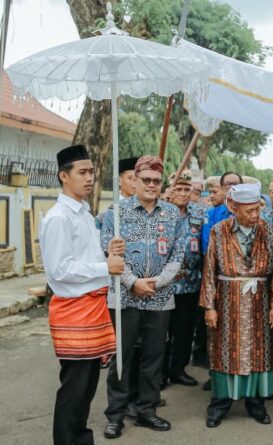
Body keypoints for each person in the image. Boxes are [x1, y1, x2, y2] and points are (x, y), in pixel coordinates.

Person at [41, 145, 124, 445]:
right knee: (74, 390)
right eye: (82, 172)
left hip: (92, 308)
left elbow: (83, 260)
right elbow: (60, 270)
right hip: (74, 311)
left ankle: (80, 439)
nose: (90, 178)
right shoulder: (59, 218)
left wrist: (108, 254)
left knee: (87, 388)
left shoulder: (85, 214)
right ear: (64, 176)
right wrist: (105, 265)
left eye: (92, 171)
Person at [102, 156, 184, 438]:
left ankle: (147, 411)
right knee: (122, 359)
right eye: (145, 179)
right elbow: (109, 252)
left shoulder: (172, 214)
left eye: (156, 181)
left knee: (153, 357)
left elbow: (178, 253)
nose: (151, 185)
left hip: (160, 298)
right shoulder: (115, 212)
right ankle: (116, 415)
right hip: (125, 296)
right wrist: (133, 282)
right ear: (134, 181)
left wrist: (158, 282)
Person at [200, 183, 273, 427]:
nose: (254, 215)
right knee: (224, 350)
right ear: (234, 208)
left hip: (260, 301)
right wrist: (210, 307)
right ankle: (220, 404)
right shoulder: (219, 230)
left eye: (257, 210)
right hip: (226, 300)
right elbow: (209, 270)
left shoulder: (267, 229)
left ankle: (256, 403)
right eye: (248, 211)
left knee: (259, 351)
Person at [162, 172, 205, 387]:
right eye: (177, 189)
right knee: (161, 332)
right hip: (164, 285)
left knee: (185, 331)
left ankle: (178, 370)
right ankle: (160, 374)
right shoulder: (160, 211)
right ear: (171, 190)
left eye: (186, 189)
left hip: (190, 283)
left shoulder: (199, 213)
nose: (182, 193)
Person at [201, 171, 242, 253]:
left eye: (235, 185)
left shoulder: (250, 212)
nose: (232, 188)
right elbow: (207, 244)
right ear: (222, 188)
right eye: (228, 185)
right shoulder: (211, 214)